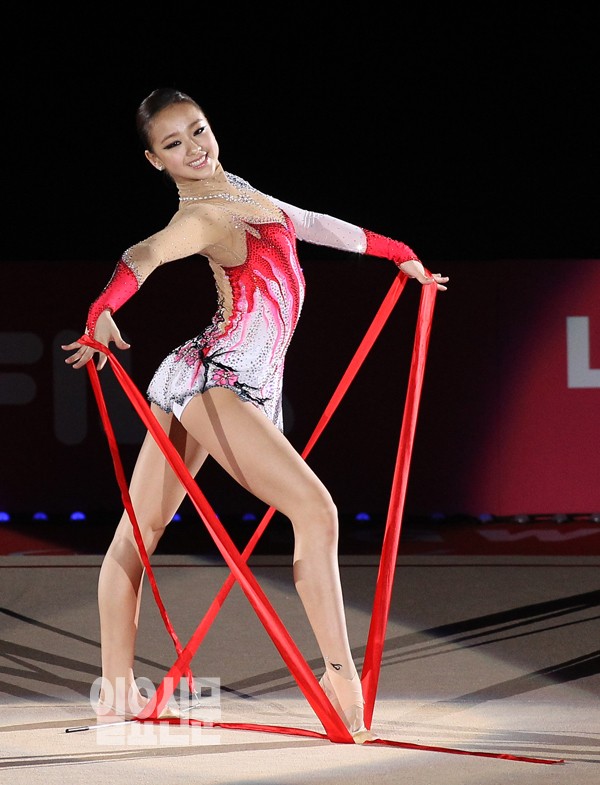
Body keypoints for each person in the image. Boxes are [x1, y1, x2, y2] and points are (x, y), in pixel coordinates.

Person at [62, 87, 449, 742]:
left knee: (138, 533)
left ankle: (117, 692)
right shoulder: (202, 215)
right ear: (155, 160)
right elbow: (147, 254)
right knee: (316, 509)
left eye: (198, 130)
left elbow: (312, 222)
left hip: (212, 376)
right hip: (220, 381)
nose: (194, 148)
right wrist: (105, 306)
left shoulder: (240, 191)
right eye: (174, 143)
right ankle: (336, 674)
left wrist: (397, 250)